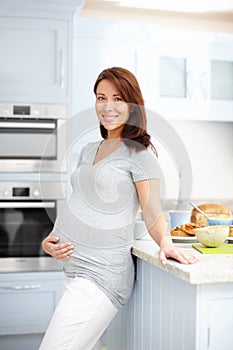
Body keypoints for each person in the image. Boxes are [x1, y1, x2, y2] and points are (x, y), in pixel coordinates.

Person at [39, 67, 198, 350]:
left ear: (133, 105)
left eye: (117, 98)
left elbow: (152, 212)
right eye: (101, 98)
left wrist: (166, 242)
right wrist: (51, 241)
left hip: (100, 276)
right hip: (74, 270)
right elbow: (78, 202)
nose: (107, 106)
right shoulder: (89, 149)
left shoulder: (139, 154)